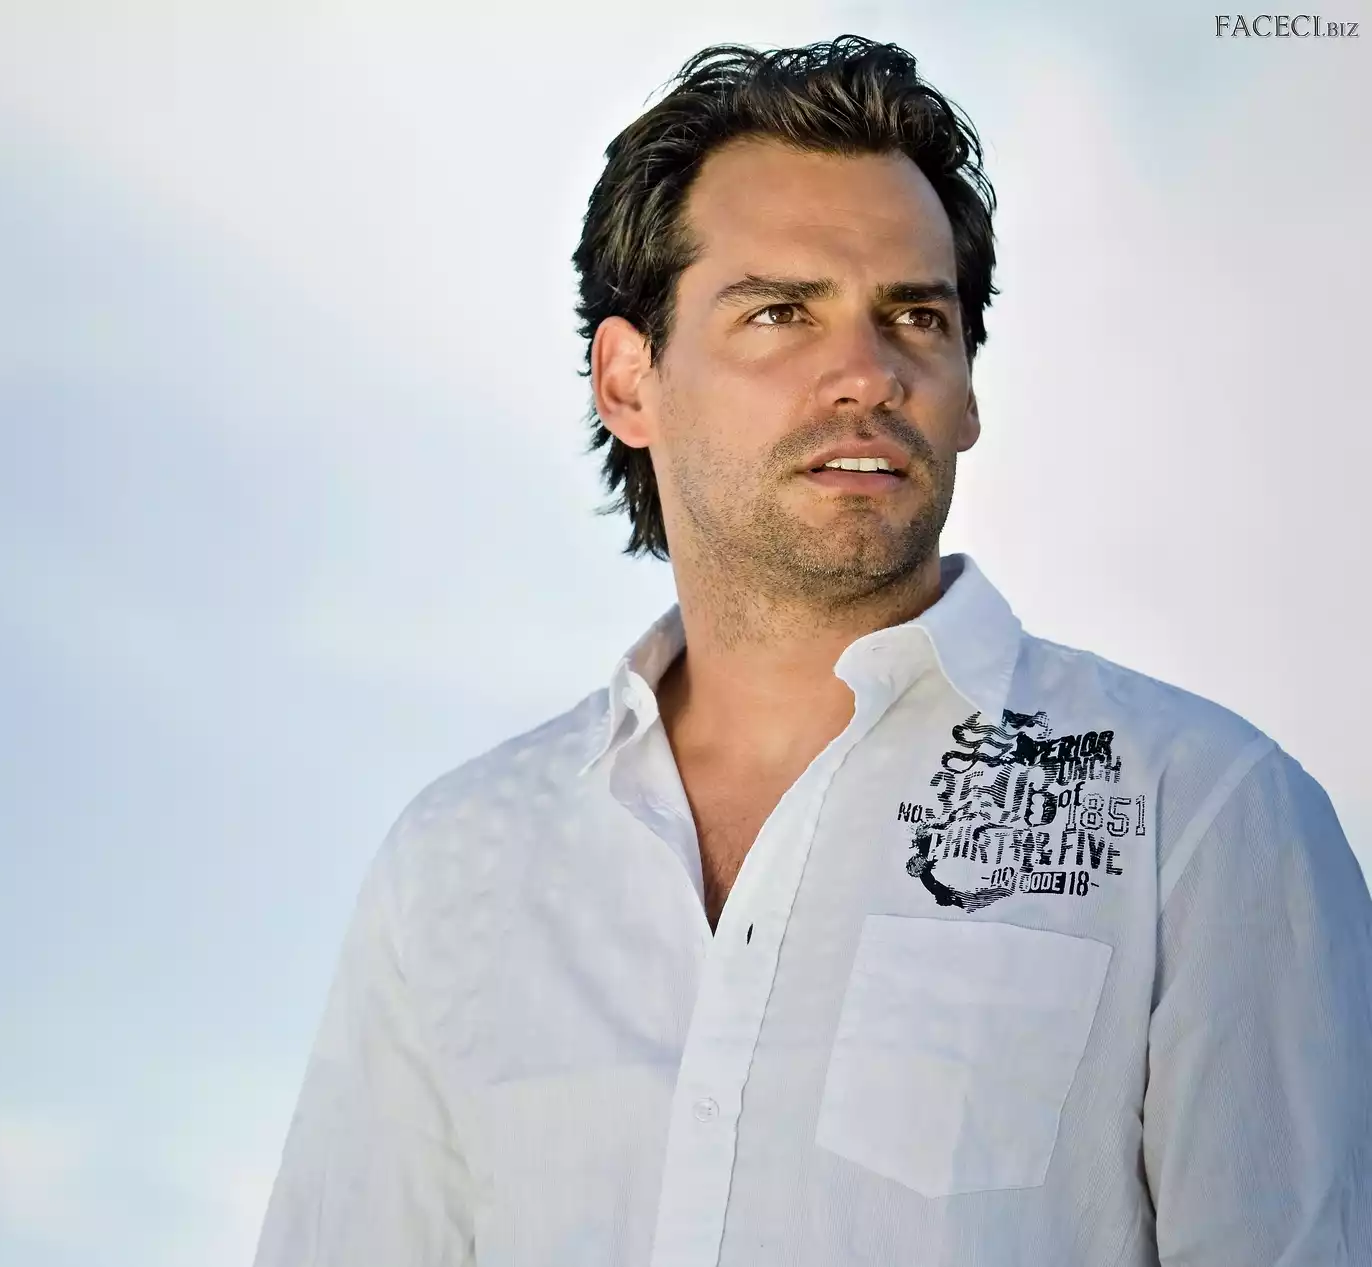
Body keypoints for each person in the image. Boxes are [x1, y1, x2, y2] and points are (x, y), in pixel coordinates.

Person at [251, 35, 1372, 1267]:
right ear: (628, 381)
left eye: (914, 316)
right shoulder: (456, 864)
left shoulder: (1197, 818)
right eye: (780, 312)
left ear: (967, 390)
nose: (866, 375)